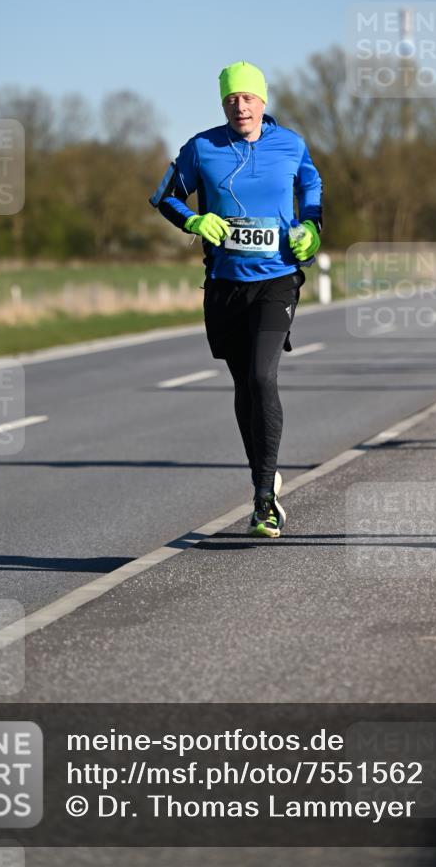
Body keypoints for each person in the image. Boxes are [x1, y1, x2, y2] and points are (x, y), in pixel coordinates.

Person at [150, 60, 322, 536]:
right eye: (230, 98)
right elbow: (164, 195)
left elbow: (312, 184)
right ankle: (262, 479)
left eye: (248, 97)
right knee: (245, 385)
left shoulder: (290, 143)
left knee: (264, 378)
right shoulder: (202, 147)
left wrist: (312, 225)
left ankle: (265, 499)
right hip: (225, 285)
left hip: (277, 279)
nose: (239, 105)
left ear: (263, 101)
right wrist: (193, 221)